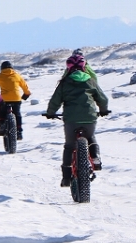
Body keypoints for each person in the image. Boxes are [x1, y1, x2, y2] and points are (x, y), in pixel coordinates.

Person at [45, 51, 110, 187]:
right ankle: (96, 158)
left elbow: (55, 101)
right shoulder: (90, 81)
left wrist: (50, 113)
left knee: (69, 147)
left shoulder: (64, 82)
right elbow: (102, 98)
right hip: (89, 117)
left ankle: (66, 178)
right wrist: (103, 110)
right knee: (90, 136)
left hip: (71, 119)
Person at [0, 60, 31, 141]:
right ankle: (19, 131)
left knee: (1, 112)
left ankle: (2, 123)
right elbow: (25, 87)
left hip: (4, 99)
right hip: (16, 98)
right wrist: (26, 94)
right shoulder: (17, 76)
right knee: (17, 114)